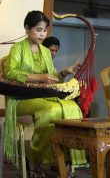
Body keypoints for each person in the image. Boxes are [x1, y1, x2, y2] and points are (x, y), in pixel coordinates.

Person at [3, 10, 86, 177]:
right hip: (21, 99)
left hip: (43, 97)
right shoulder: (17, 48)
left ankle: (63, 158)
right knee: (52, 111)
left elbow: (51, 78)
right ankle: (36, 159)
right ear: (27, 28)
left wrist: (63, 72)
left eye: (45, 30)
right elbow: (10, 73)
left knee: (73, 108)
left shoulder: (46, 52)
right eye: (38, 29)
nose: (42, 34)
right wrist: (39, 77)